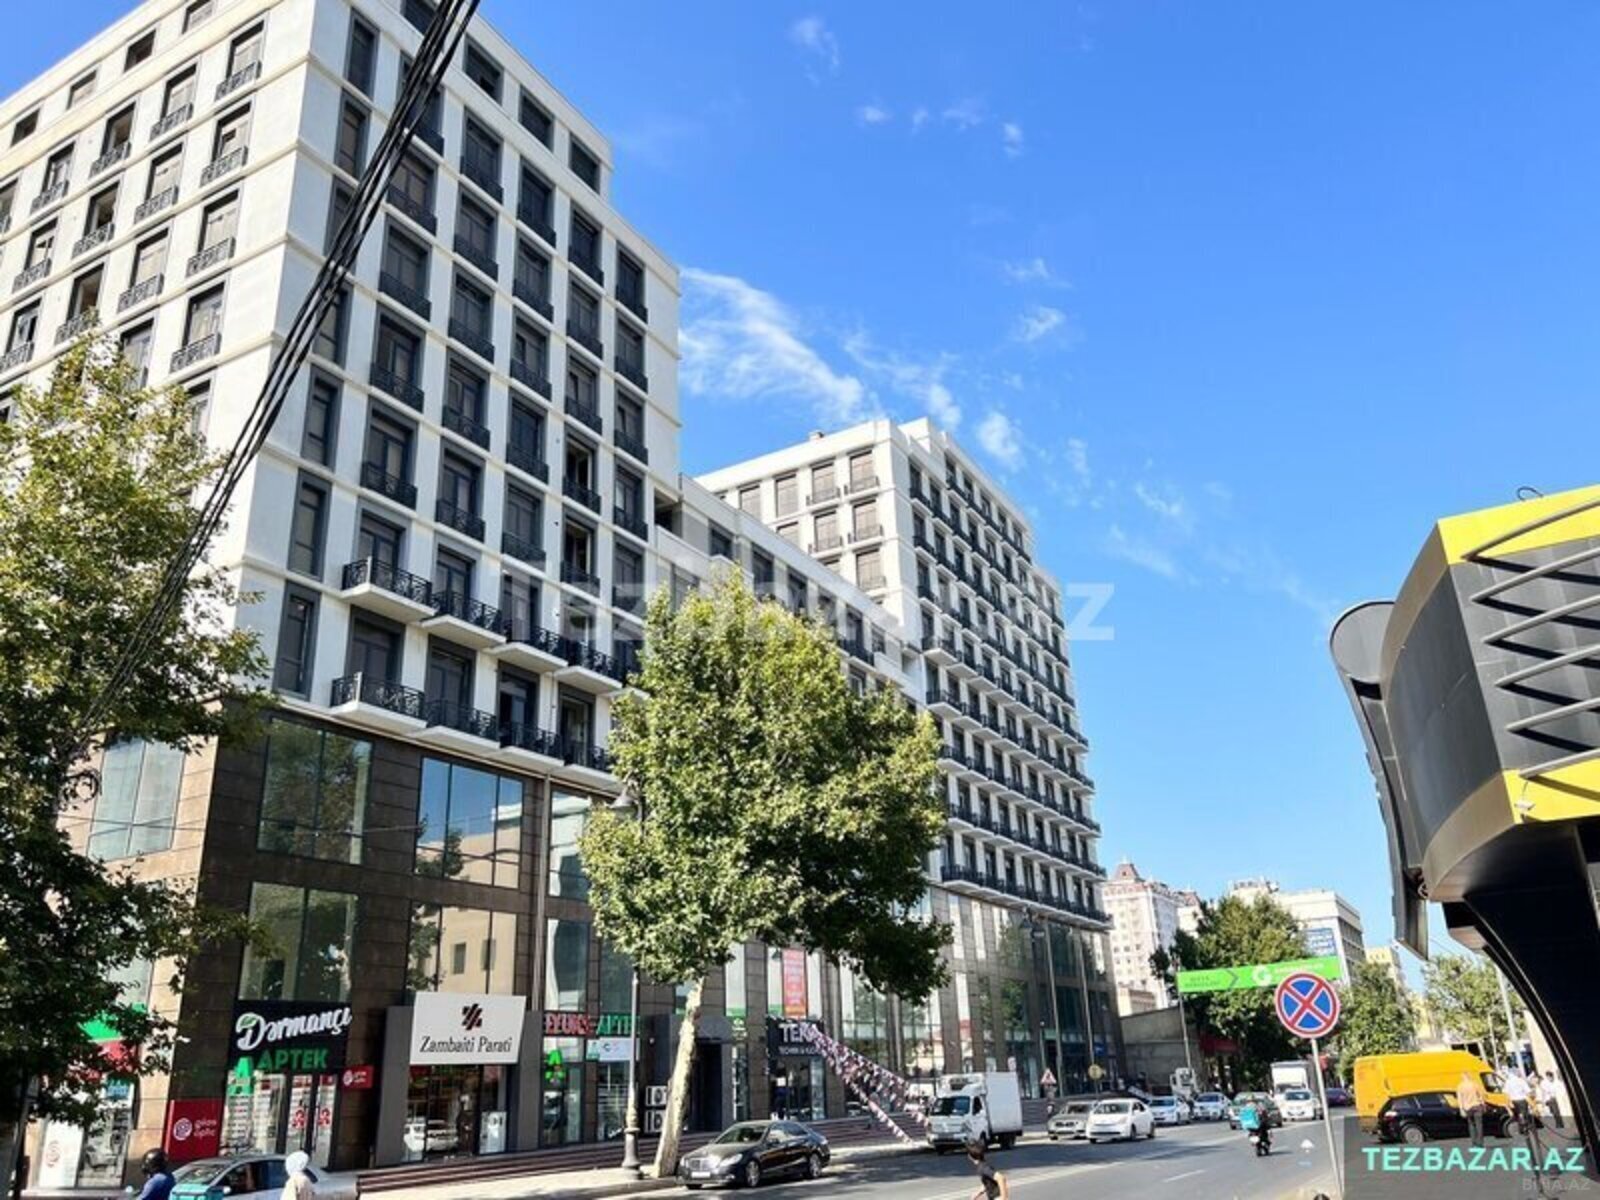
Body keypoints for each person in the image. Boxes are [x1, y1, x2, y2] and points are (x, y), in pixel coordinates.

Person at [1455, 1071, 1487, 1148]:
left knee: (1471, 1125)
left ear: (1462, 1077)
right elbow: (1481, 1096)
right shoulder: (1475, 1084)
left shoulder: (1460, 1086)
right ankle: (1480, 1143)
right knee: (1479, 1125)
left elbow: (1460, 1099)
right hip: (1477, 1105)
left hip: (1467, 1107)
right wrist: (1483, 1105)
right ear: (1469, 1076)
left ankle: (1474, 1143)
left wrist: (1461, 1109)